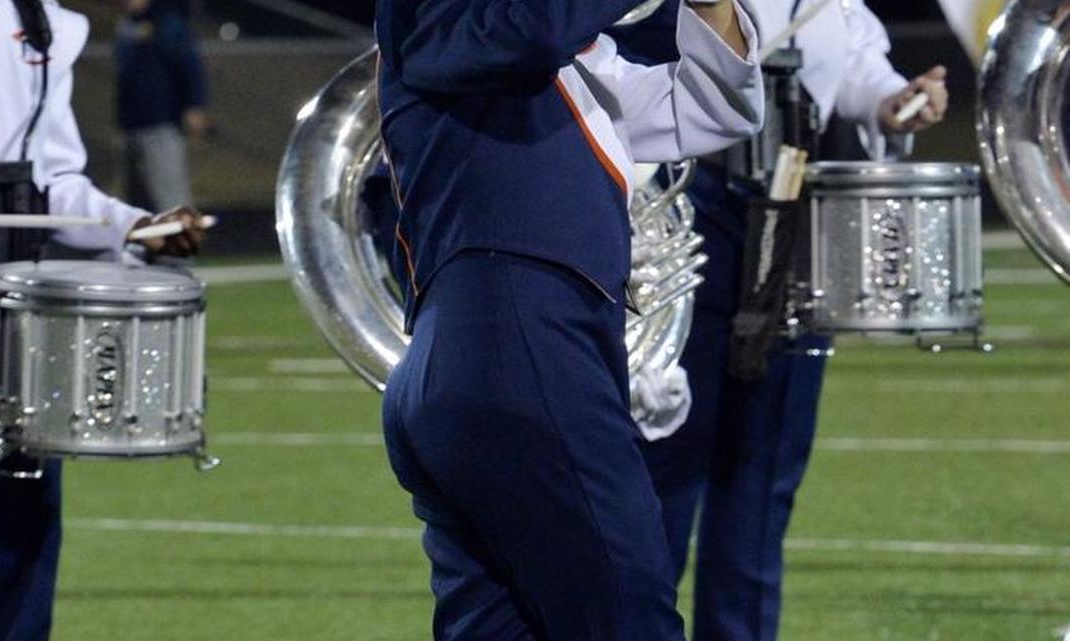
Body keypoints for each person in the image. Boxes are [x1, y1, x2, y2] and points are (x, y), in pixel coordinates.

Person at [375, 0, 765, 638]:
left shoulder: (562, 58)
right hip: (514, 339)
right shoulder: (467, 24)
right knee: (630, 618)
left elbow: (714, 107)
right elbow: (531, 32)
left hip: (500, 354)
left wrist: (711, 7)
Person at [607, 2, 949, 640]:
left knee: (763, 467)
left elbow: (847, 50)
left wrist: (891, 100)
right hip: (691, 200)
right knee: (665, 448)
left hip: (794, 207)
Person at [0, 1, 204, 639]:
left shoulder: (42, 20)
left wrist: (136, 227)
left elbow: (54, 181)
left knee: (27, 517)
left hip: (18, 303)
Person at [115, 0, 209, 213]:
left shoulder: (167, 21)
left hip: (161, 122)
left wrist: (195, 105)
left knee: (172, 199)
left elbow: (189, 64)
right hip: (131, 123)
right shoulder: (127, 23)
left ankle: (182, 234)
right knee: (134, 205)